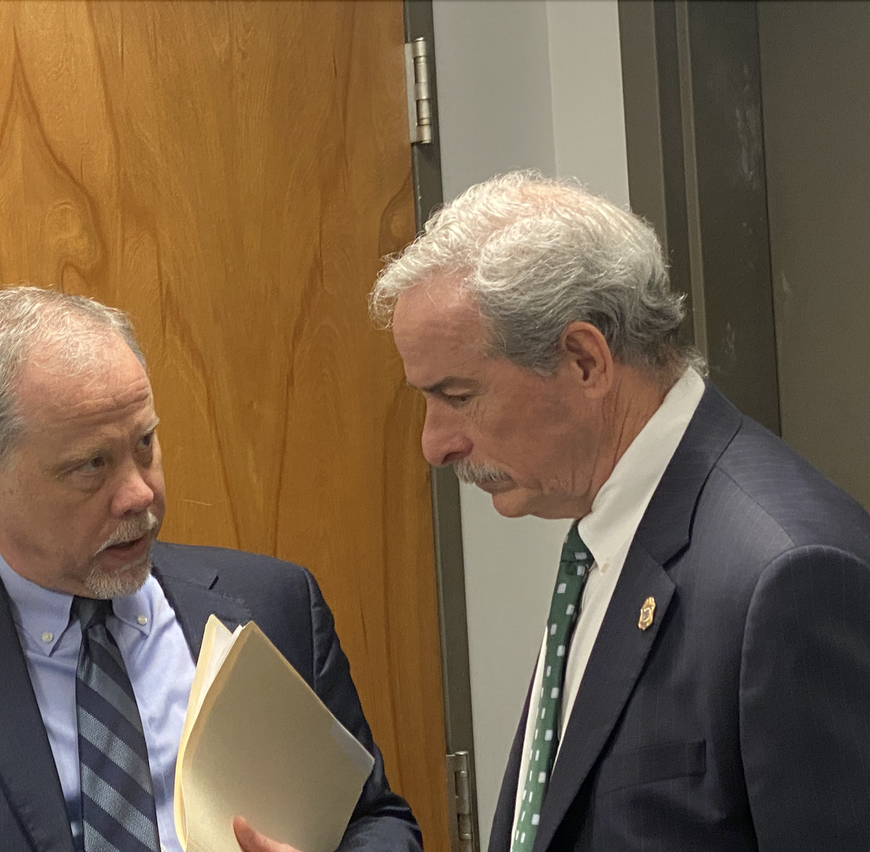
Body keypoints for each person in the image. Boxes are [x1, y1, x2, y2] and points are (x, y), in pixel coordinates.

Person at [0, 286, 420, 852]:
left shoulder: (277, 603)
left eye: (144, 444)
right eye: (90, 465)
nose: (139, 494)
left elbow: (377, 820)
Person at [371, 171, 870, 852]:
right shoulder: (606, 537)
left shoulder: (784, 575)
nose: (435, 445)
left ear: (584, 360)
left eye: (457, 396)